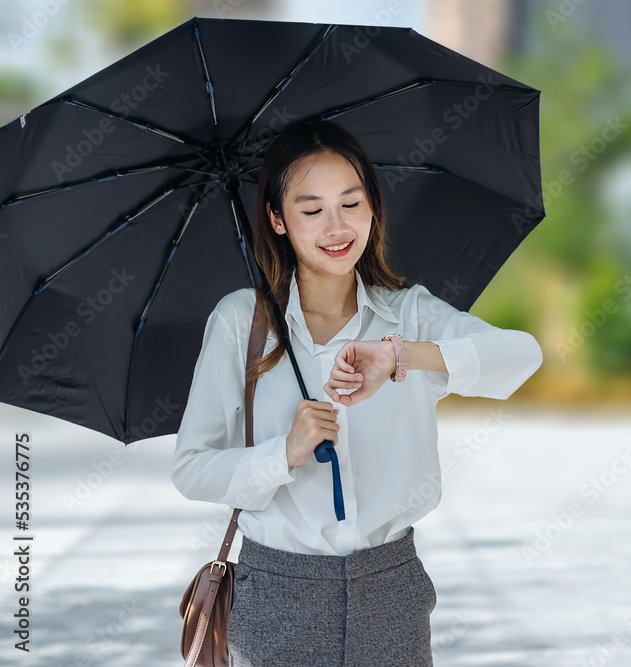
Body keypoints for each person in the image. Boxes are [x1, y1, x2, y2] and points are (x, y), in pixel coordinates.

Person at [169, 118, 543, 666]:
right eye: (311, 209)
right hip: (277, 593)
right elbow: (191, 467)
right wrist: (286, 453)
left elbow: (521, 355)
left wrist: (400, 356)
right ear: (277, 218)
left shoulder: (408, 313)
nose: (336, 226)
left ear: (373, 207)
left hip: (391, 590)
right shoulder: (240, 322)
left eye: (351, 203)